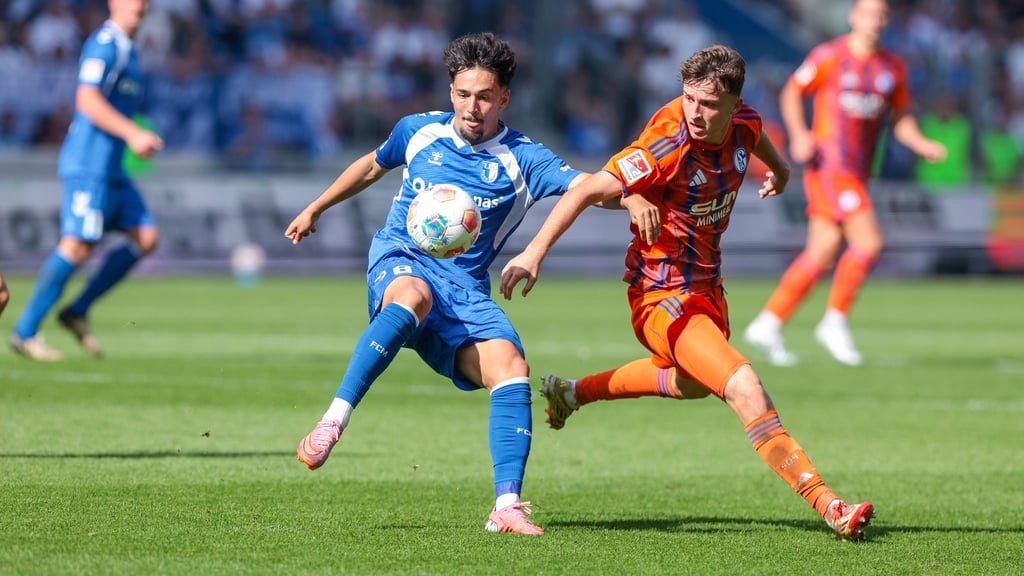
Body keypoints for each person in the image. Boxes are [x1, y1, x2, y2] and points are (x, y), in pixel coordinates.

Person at [500, 44, 875, 541]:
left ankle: (571, 392)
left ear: (733, 103)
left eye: (709, 105)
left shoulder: (744, 123)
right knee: (744, 385)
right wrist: (534, 252)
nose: (696, 113)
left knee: (693, 383)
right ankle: (830, 505)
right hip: (659, 295)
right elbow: (588, 188)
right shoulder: (668, 140)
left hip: (708, 287)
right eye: (689, 99)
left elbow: (755, 136)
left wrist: (781, 172)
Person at [286, 32, 605, 536]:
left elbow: (590, 186)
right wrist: (316, 207)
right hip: (401, 258)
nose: (471, 107)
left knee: (512, 369)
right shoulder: (418, 130)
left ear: (504, 97)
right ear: (450, 90)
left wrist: (635, 198)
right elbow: (373, 164)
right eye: (462, 94)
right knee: (413, 295)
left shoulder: (523, 158)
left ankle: (506, 506)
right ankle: (334, 420)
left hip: (465, 289)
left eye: (483, 96)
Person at [743, 0, 946, 366]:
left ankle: (768, 322)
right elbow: (792, 91)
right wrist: (799, 134)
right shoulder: (830, 56)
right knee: (869, 241)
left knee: (822, 251)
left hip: (858, 171)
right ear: (854, 17)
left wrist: (920, 143)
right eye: (868, 14)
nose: (875, 22)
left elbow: (901, 118)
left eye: (881, 16)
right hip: (830, 166)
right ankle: (834, 321)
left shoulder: (892, 68)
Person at [9, 0, 164, 361]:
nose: (138, 4)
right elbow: (87, 100)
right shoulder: (105, 44)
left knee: (146, 237)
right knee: (77, 245)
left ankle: (76, 310)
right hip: (88, 166)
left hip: (113, 171)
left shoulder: (131, 50)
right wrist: (133, 133)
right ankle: (25, 333)